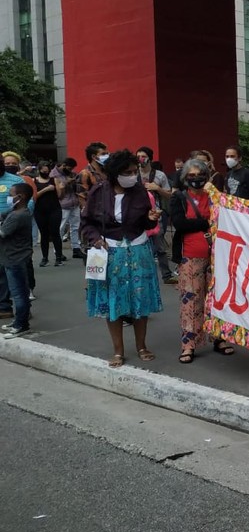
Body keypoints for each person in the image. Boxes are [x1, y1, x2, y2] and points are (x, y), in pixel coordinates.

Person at [81, 149, 164, 368]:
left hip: (138, 251)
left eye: (134, 170)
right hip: (110, 253)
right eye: (127, 172)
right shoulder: (98, 192)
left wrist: (151, 219)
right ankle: (118, 351)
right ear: (115, 173)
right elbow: (86, 222)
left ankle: (142, 346)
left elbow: (146, 224)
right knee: (113, 303)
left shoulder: (140, 192)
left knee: (140, 299)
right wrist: (96, 239)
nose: (132, 175)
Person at [170, 159, 235, 363]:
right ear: (184, 178)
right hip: (190, 257)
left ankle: (218, 338)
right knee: (191, 301)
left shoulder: (215, 197)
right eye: (191, 175)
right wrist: (207, 222)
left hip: (217, 256)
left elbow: (228, 217)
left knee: (217, 299)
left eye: (200, 175)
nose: (196, 179)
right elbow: (180, 224)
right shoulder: (179, 198)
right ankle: (188, 344)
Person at [136, 146, 176, 284]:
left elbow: (169, 195)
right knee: (139, 245)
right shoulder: (133, 174)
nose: (140, 159)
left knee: (160, 246)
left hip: (156, 213)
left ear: (150, 159)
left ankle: (166, 275)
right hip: (138, 214)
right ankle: (142, 275)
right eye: (138, 156)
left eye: (143, 156)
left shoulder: (159, 175)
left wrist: (157, 188)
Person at [0, 183, 34, 338]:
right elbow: (2, 215)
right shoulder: (18, 211)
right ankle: (18, 322)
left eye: (11, 194)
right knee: (19, 291)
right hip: (14, 257)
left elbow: (2, 233)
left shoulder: (17, 216)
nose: (9, 196)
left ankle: (22, 325)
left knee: (19, 294)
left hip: (15, 259)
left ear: (20, 197)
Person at [33, 161, 65, 267]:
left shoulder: (54, 180)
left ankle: (59, 257)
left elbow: (60, 196)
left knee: (55, 233)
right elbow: (34, 196)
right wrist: (46, 189)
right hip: (40, 210)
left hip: (54, 209)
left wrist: (61, 188)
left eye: (47, 171)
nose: (45, 172)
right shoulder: (34, 181)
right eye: (43, 171)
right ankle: (45, 258)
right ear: (39, 170)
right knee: (44, 234)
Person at [53, 158, 85, 259]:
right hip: (62, 204)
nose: (71, 170)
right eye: (69, 168)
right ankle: (57, 251)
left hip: (74, 202)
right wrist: (67, 182)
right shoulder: (54, 174)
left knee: (75, 226)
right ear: (63, 165)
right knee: (61, 227)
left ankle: (76, 248)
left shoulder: (71, 173)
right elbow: (57, 190)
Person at [78, 141, 108, 210]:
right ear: (94, 157)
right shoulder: (85, 173)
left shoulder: (107, 171)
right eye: (103, 154)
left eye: (107, 153)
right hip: (94, 212)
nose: (107, 156)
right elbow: (81, 197)